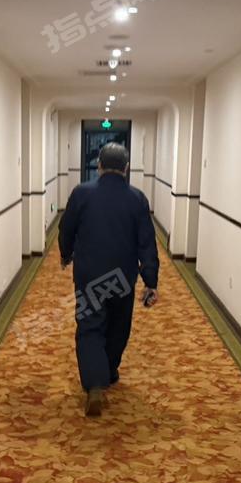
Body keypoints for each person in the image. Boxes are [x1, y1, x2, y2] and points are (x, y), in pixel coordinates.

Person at [59, 142, 159, 417]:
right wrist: (150, 280)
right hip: (122, 278)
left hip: (90, 275)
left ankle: (95, 383)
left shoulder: (81, 193)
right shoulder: (137, 199)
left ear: (99, 165)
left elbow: (66, 228)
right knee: (118, 327)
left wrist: (66, 254)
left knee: (90, 327)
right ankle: (108, 370)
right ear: (126, 168)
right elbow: (147, 242)